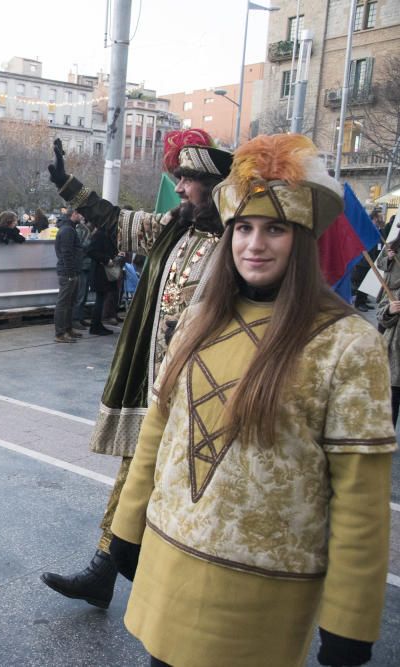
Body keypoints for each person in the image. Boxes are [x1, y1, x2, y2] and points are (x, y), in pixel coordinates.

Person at [109, 133, 394, 667]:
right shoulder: (198, 319)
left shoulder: (349, 344)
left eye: (274, 229)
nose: (253, 244)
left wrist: (350, 621)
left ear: (301, 239)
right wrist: (126, 528)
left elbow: (361, 499)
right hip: (168, 567)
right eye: (242, 228)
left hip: (258, 599)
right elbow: (160, 431)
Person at [40, 130, 232, 609]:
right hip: (155, 380)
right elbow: (112, 217)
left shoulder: (237, 241)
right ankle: (106, 567)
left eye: (188, 179)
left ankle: (164, 583)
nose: (180, 187)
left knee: (183, 486)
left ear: (214, 186)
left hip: (204, 389)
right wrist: (68, 185)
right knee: (134, 471)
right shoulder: (174, 225)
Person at [376, 235, 400, 425]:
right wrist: (389, 257)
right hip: (391, 291)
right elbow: (381, 264)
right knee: (394, 394)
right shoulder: (391, 245)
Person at [53, 207, 82, 343]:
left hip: (70, 271)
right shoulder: (67, 230)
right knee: (64, 303)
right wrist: (71, 273)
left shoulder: (69, 229)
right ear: (74, 214)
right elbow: (66, 253)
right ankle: (60, 333)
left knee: (70, 302)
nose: (82, 216)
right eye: (80, 214)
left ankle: (68, 329)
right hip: (67, 272)